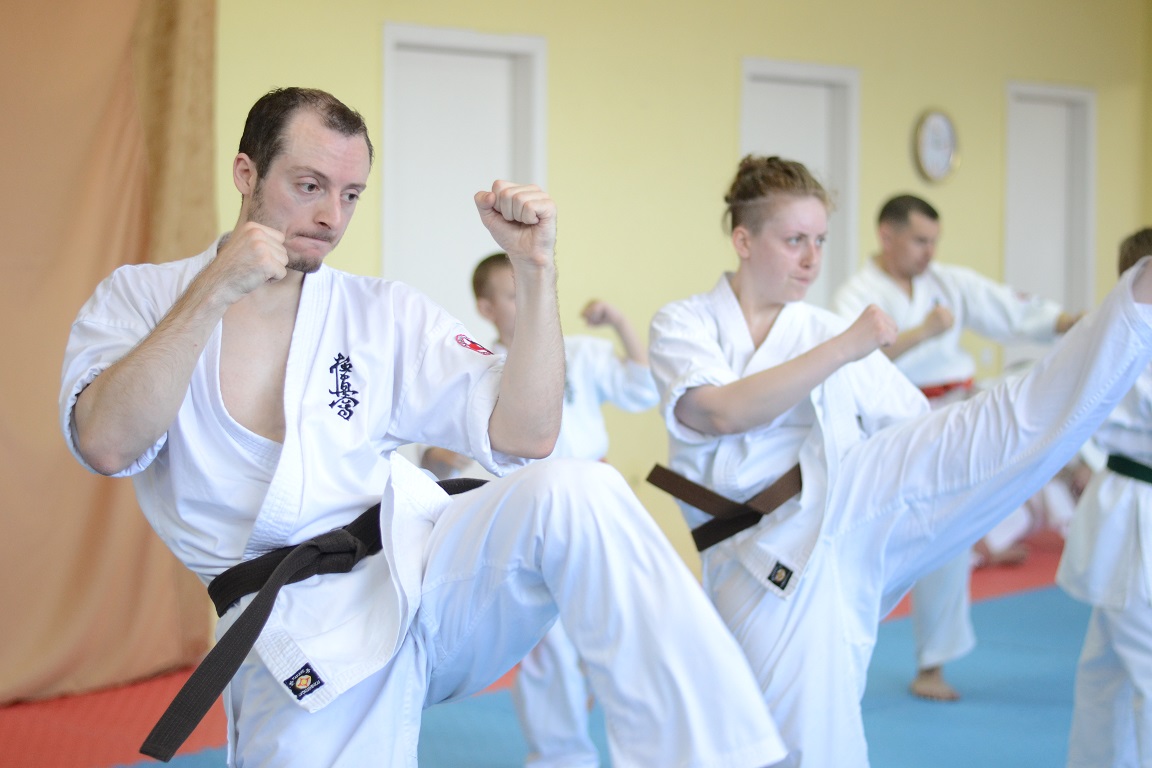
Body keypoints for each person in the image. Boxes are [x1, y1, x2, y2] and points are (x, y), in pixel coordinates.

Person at [58, 88, 787, 768]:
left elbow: (526, 435)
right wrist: (213, 288)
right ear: (246, 173)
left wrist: (534, 269)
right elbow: (107, 442)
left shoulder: (380, 312)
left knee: (578, 491)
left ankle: (712, 755)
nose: (331, 217)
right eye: (309, 186)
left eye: (350, 195)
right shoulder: (140, 297)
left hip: (424, 568)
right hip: (292, 626)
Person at [647, 154, 1152, 768]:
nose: (811, 258)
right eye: (795, 240)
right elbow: (719, 413)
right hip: (750, 552)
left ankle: (1136, 301)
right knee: (803, 738)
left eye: (821, 241)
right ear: (743, 240)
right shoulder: (685, 323)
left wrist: (1028, 462)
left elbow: (921, 432)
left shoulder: (822, 326)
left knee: (995, 424)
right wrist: (845, 347)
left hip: (842, 502)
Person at [831, 194, 1082, 701]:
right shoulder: (857, 294)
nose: (929, 252)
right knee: (882, 544)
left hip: (957, 414)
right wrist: (923, 333)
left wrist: (1071, 323)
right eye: (919, 241)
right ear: (886, 235)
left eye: (933, 241)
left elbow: (1007, 307)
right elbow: (849, 359)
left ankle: (933, 664)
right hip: (897, 429)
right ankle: (839, 652)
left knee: (950, 535)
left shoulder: (945, 282)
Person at [471, 251, 660, 768]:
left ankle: (650, 751)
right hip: (528, 515)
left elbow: (643, 388)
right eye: (513, 294)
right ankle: (560, 756)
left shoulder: (577, 351)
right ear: (487, 308)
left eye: (534, 290)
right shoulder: (476, 367)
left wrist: (619, 322)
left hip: (598, 503)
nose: (529, 301)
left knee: (622, 629)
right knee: (544, 644)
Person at [1057, 227, 1152, 768]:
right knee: (1128, 666)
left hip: (1129, 506)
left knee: (1105, 670)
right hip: (1132, 513)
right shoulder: (1124, 335)